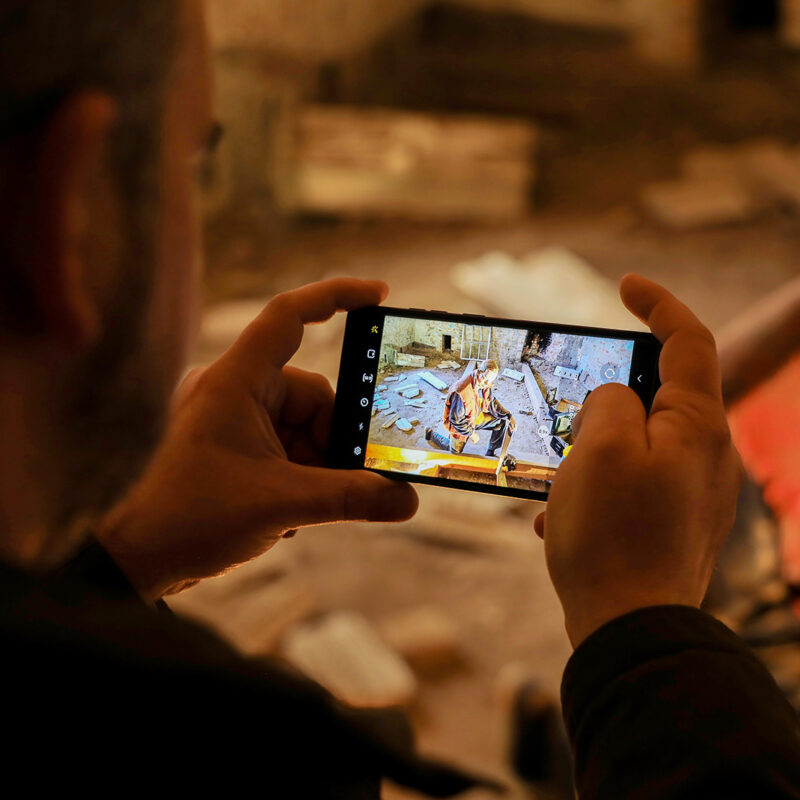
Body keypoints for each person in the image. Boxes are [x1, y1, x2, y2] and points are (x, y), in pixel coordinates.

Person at [0, 1, 798, 798]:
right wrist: (646, 625)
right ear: (71, 215)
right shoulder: (235, 751)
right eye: (192, 165)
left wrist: (115, 553)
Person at [425, 359, 517, 457]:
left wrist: (509, 416)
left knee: (500, 422)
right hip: (463, 422)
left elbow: (492, 402)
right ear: (478, 371)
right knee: (455, 452)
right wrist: (471, 433)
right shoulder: (462, 391)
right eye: (485, 379)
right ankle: (431, 434)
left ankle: (490, 452)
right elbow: (456, 420)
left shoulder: (485, 383)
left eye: (489, 381)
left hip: (475, 415)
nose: (486, 384)